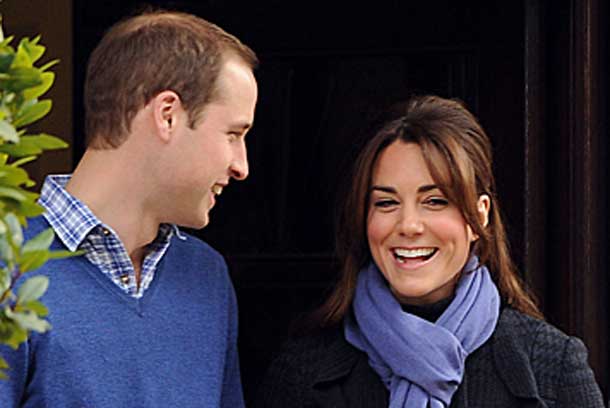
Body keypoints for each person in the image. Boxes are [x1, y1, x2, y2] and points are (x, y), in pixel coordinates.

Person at [256, 95, 604, 407]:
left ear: (479, 215)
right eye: (387, 202)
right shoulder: (301, 372)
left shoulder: (551, 368)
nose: (408, 225)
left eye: (435, 201)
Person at [0, 10, 258, 407]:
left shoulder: (206, 277)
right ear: (167, 115)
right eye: (233, 134)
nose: (241, 166)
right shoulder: (9, 264)